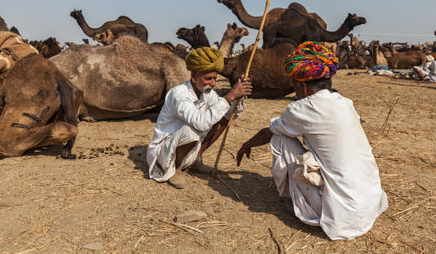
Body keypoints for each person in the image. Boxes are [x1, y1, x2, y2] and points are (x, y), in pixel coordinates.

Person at [236, 42, 388, 240]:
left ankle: (291, 200)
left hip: (343, 216)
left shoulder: (302, 108)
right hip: (368, 204)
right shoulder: (345, 103)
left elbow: (268, 133)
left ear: (303, 86)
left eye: (294, 83)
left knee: (280, 139)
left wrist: (246, 144)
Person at [147, 47, 252, 189]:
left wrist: (238, 96)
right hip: (165, 154)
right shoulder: (179, 94)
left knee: (222, 119)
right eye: (208, 79)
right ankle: (176, 169)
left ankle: (194, 160)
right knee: (193, 128)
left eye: (215, 78)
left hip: (187, 145)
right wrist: (229, 97)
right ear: (194, 77)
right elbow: (201, 124)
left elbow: (229, 115)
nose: (213, 83)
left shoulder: (207, 92)